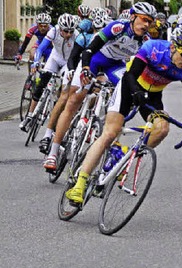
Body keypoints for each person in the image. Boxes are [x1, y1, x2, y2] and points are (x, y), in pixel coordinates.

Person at [64, 26, 182, 205]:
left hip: (153, 96)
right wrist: (136, 92)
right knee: (110, 133)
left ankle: (123, 161)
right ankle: (79, 184)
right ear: (173, 47)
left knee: (161, 129)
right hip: (130, 86)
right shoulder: (153, 48)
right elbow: (130, 74)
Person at [39, 2, 156, 170]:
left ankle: (109, 135)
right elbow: (89, 50)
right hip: (95, 59)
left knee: (127, 91)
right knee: (73, 102)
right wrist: (85, 69)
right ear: (132, 16)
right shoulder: (117, 27)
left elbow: (141, 70)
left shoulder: (145, 41)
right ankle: (53, 153)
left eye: (149, 22)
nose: (146, 25)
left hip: (115, 65)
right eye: (144, 19)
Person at [40, 14, 108, 160]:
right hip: (76, 65)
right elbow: (73, 57)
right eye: (97, 29)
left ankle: (88, 121)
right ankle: (48, 137)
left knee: (97, 92)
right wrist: (71, 69)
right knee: (65, 97)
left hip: (97, 69)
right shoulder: (83, 37)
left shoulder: (113, 41)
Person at [19, 14, 79, 132]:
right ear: (60, 28)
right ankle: (29, 116)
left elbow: (78, 54)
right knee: (41, 84)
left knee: (64, 88)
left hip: (68, 62)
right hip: (55, 58)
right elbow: (41, 48)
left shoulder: (76, 36)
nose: (68, 34)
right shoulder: (53, 31)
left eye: (71, 31)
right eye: (65, 31)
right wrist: (36, 61)